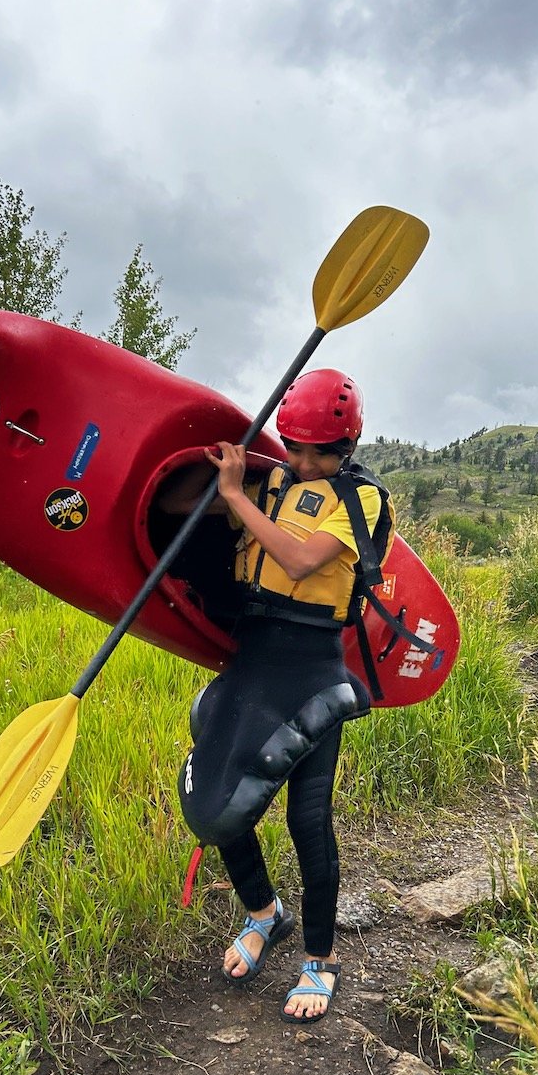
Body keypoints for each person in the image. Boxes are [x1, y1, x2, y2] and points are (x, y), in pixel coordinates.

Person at [159, 369, 394, 1024]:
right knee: (217, 807)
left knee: (306, 819)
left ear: (348, 446)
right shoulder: (271, 479)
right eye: (294, 447)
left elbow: (296, 561)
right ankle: (266, 914)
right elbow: (177, 506)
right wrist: (214, 474)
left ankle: (320, 961)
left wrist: (236, 496)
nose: (304, 461)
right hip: (254, 657)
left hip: (313, 666)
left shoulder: (361, 500)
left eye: (320, 452)